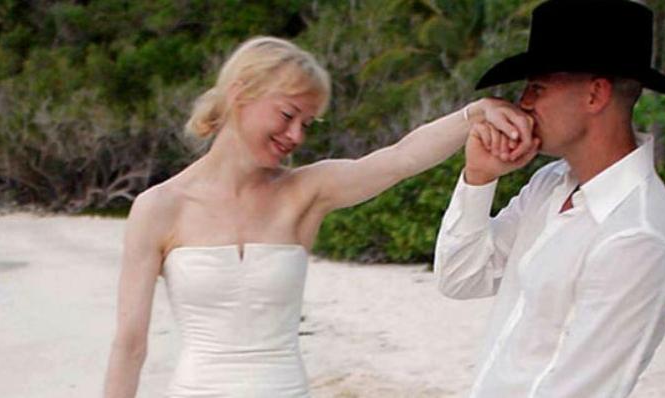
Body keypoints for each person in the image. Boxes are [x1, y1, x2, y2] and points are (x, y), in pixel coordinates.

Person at [103, 36, 535, 398]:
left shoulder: (305, 193)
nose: (296, 136)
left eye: (306, 123)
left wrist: (474, 115)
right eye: (289, 115)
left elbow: (400, 158)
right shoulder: (159, 208)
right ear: (240, 93)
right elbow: (130, 345)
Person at [434, 0, 665, 397]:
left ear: (595, 95)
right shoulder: (550, 183)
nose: (523, 102)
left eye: (537, 86)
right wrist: (480, 178)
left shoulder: (639, 233)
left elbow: (580, 389)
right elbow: (460, 278)